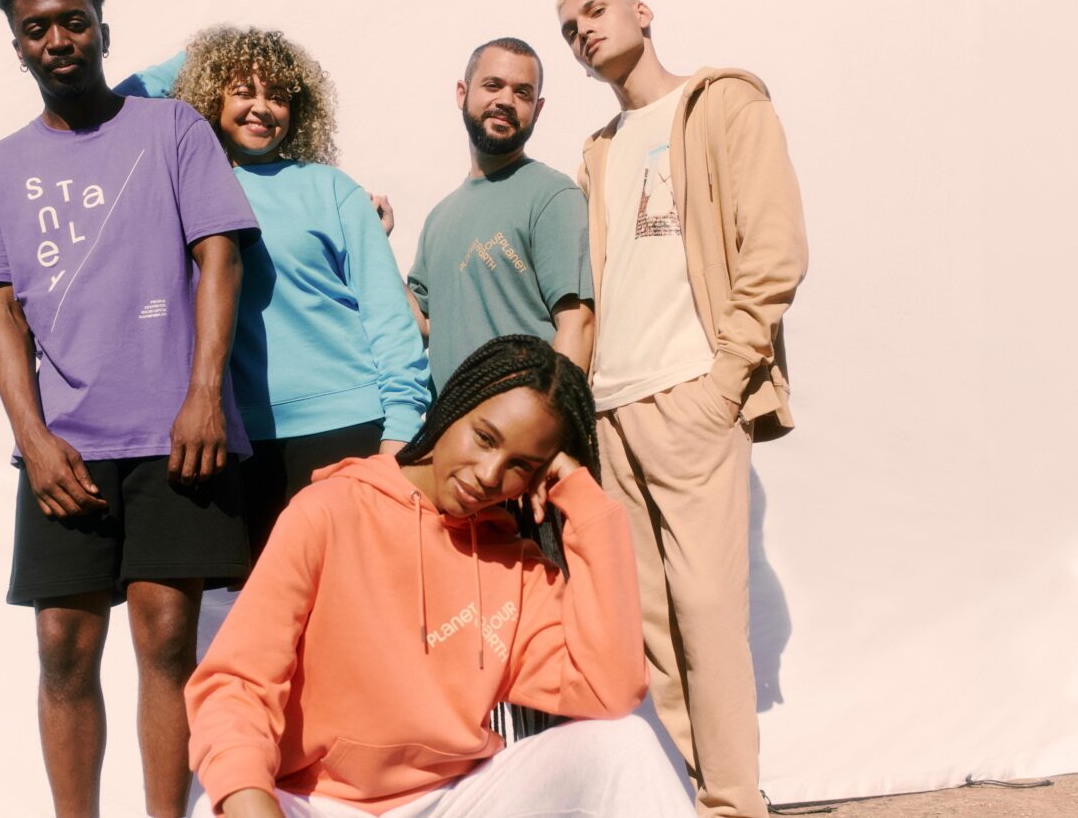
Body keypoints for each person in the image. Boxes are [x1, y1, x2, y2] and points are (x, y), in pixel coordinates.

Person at [0, 0, 259, 818]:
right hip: (68, 448)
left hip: (177, 439)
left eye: (72, 21)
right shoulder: (1, 167)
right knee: (61, 646)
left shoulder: (172, 131)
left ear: (101, 30)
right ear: (18, 48)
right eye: (36, 29)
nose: (57, 39)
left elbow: (220, 256)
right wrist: (33, 440)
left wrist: (203, 394)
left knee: (167, 639)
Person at [185, 336, 695, 818]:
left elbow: (609, 690)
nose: (490, 474)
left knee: (624, 743)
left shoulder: (514, 567)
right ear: (453, 408)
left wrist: (588, 507)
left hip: (456, 799)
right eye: (485, 437)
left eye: (521, 464)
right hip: (320, 801)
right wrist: (250, 801)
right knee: (218, 805)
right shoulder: (328, 513)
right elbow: (238, 683)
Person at [556, 0, 808, 818]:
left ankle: (737, 804)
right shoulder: (596, 151)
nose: (581, 31)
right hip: (611, 410)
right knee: (654, 632)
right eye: (568, 28)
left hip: (691, 396)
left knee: (707, 618)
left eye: (594, 10)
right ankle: (708, 798)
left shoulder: (723, 104)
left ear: (642, 12)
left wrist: (726, 380)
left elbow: (775, 247)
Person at [133, 25, 430, 557]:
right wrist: (199, 54)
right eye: (243, 91)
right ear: (209, 96)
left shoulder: (332, 189)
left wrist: (400, 432)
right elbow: (117, 113)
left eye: (278, 95)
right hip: (237, 440)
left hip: (349, 429)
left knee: (348, 616)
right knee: (266, 622)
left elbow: (389, 320)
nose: (262, 108)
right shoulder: (184, 188)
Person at [406, 38, 595, 393]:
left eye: (522, 93)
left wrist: (548, 423)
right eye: (493, 85)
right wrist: (370, 242)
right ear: (462, 94)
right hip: (451, 433)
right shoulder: (439, 218)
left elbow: (578, 324)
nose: (506, 101)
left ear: (537, 110)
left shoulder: (553, 195)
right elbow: (424, 324)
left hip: (521, 432)